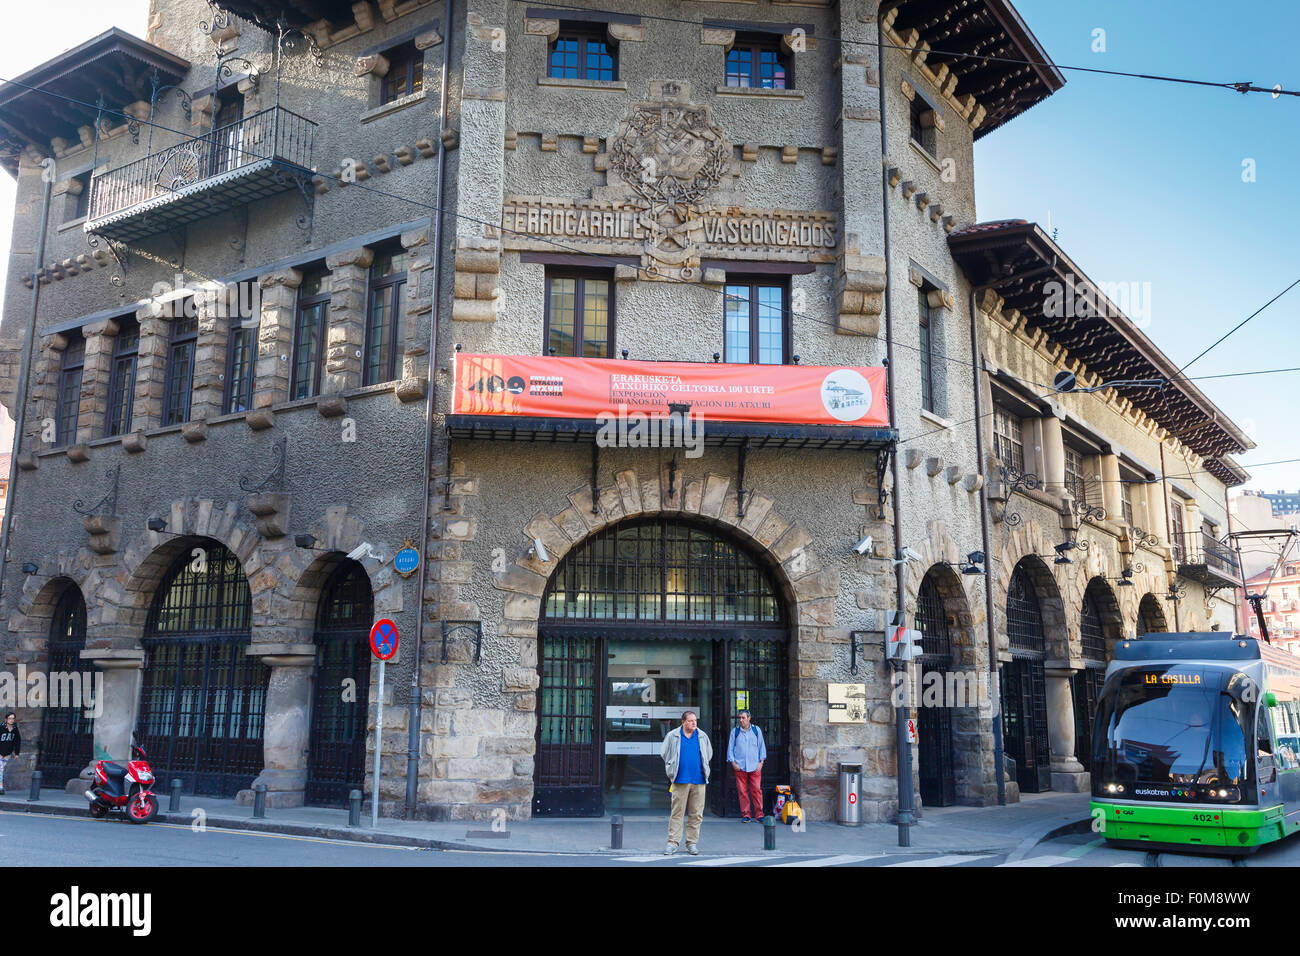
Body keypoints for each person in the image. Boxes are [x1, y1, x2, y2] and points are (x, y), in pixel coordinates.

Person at [660, 710, 712, 856]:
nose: (694, 723)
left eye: (695, 720)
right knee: (677, 813)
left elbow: (709, 753)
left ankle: (691, 843)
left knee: (696, 814)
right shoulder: (673, 735)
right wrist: (671, 766)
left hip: (699, 780)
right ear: (683, 722)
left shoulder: (702, 736)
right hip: (679, 780)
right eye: (690, 721)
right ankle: (672, 843)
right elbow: (664, 753)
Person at [726, 709, 766, 821]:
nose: (741, 720)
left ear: (749, 718)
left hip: (755, 766)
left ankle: (759, 814)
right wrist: (733, 762)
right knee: (742, 791)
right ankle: (746, 815)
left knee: (757, 790)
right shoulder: (735, 731)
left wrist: (761, 762)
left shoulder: (756, 730)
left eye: (743, 718)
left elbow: (761, 746)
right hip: (740, 766)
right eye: (740, 718)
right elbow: (730, 747)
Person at [0, 713, 20, 795]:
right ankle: (0, 787)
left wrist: (16, 753)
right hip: (0, 752)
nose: (11, 720)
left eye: (13, 718)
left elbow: (17, 741)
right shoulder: (1, 727)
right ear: (6, 719)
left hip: (8, 753)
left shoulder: (15, 728)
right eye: (9, 718)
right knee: (0, 770)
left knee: (1, 769)